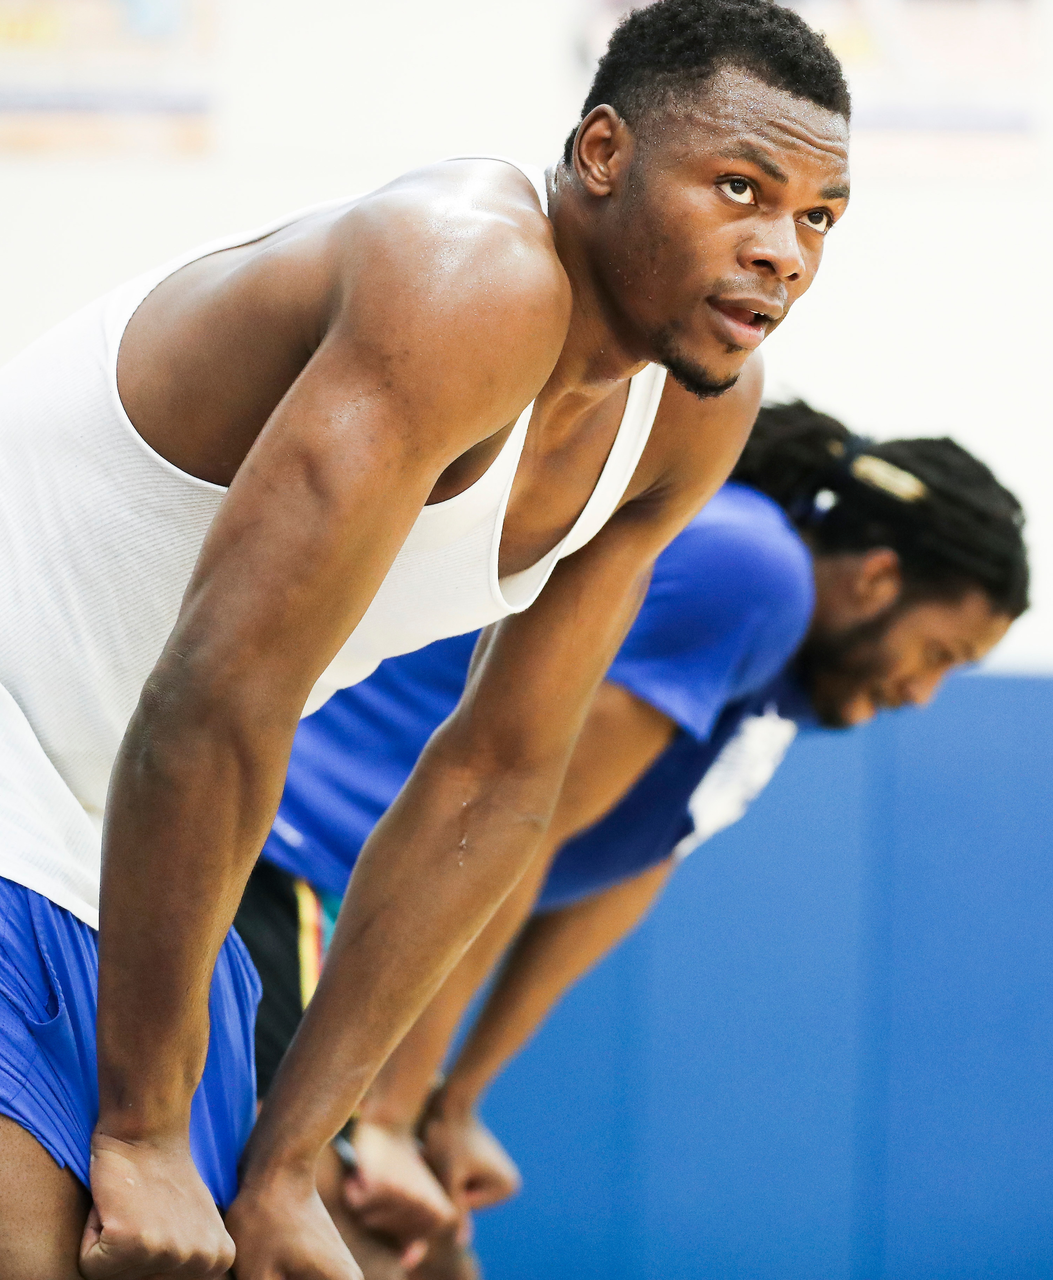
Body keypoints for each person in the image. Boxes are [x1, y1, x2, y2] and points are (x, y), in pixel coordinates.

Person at [0, 1, 852, 1274]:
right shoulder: (469, 275)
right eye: (742, 188)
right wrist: (143, 1127)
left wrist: (298, 1162)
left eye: (819, 217)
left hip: (127, 841)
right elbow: (223, 687)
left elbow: (499, 778)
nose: (782, 250)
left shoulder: (689, 417)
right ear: (604, 154)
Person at [240, 401, 1028, 1276]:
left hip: (371, 912)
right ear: (876, 580)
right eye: (940, 653)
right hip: (303, 872)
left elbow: (620, 878)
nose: (923, 693)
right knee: (343, 1245)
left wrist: (452, 1101)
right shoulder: (754, 570)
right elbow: (507, 831)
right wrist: (384, 1116)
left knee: (432, 1262)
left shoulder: (783, 676)